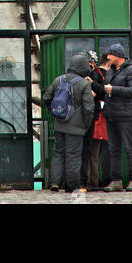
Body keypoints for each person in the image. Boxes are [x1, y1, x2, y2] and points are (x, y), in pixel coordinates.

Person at [43, 52, 94, 194]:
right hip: (76, 127)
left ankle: (55, 182)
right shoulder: (84, 84)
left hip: (59, 124)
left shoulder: (58, 80)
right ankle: (71, 186)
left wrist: (56, 114)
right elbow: (89, 108)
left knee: (58, 153)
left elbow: (47, 98)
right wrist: (85, 124)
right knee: (73, 156)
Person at [103, 41, 132, 191]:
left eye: (110, 54)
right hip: (112, 114)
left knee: (130, 147)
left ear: (118, 56)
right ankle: (116, 181)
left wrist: (113, 89)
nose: (108, 56)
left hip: (126, 115)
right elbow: (107, 90)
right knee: (114, 149)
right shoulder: (111, 70)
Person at [81, 50, 108, 190]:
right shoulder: (97, 74)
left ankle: (91, 182)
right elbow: (102, 93)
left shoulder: (93, 75)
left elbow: (101, 92)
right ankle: (91, 181)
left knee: (91, 152)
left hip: (92, 118)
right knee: (92, 153)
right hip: (93, 117)